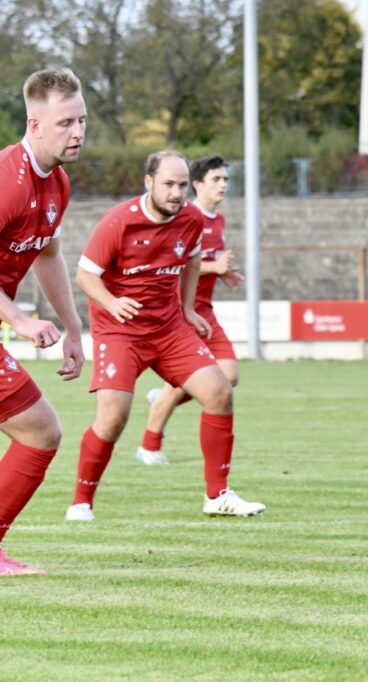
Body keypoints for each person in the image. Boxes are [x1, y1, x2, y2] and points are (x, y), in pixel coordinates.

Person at [66, 150, 264, 522]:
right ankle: (80, 501)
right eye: (169, 184)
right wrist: (111, 303)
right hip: (120, 331)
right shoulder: (118, 221)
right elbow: (84, 276)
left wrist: (188, 309)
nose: (176, 193)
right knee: (112, 419)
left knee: (220, 392)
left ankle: (217, 496)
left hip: (169, 328)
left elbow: (191, 260)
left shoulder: (190, 218)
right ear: (149, 182)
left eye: (182, 185)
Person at [0, 68, 87, 576]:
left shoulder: (57, 182)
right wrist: (23, 321)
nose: (76, 133)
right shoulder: (7, 181)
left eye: (81, 121)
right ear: (34, 124)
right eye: (64, 123)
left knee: (38, 430)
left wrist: (72, 328)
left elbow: (48, 253)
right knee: (39, 429)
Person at [136, 155, 243, 465]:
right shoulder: (184, 216)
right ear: (197, 185)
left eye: (225, 179)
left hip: (204, 309)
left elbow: (200, 264)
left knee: (230, 374)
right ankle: (149, 446)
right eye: (216, 180)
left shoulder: (217, 219)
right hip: (181, 311)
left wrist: (223, 272)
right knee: (191, 380)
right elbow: (175, 263)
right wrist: (215, 266)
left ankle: (168, 396)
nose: (223, 185)